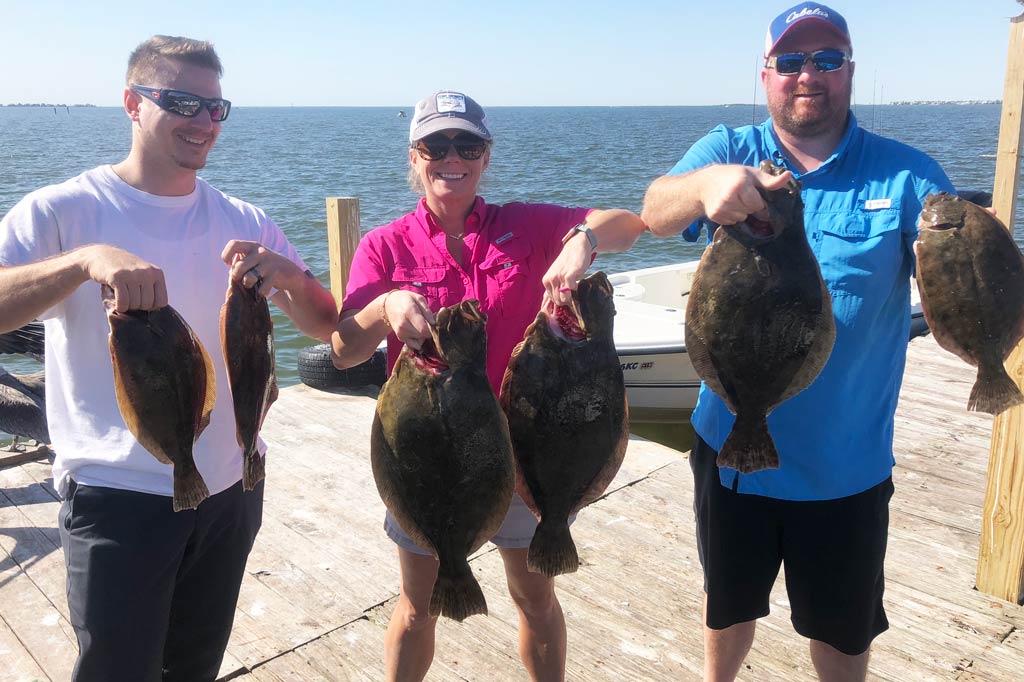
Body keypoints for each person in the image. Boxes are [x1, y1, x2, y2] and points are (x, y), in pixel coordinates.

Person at [0, 36, 337, 681]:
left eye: (217, 108)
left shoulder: (246, 219)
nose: (204, 122)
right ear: (132, 102)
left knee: (194, 668)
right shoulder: (62, 211)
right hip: (118, 495)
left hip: (233, 487)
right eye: (183, 102)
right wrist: (82, 261)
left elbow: (326, 327)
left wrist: (291, 277)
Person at [641, 4, 954, 681]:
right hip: (729, 447)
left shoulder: (905, 175)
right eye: (790, 62)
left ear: (849, 71)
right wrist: (706, 185)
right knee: (728, 607)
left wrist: (972, 251)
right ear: (766, 76)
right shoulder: (728, 147)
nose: (807, 74)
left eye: (826, 59)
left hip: (847, 465)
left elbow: (950, 262)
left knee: (842, 632)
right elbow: (656, 210)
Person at [332, 90, 647, 682]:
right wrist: (385, 306)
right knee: (417, 606)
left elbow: (631, 225)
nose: (452, 157)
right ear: (414, 154)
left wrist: (584, 238)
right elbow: (345, 351)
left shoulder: (526, 226)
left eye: (467, 144)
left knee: (535, 599)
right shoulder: (383, 245)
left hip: (524, 454)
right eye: (436, 144)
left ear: (486, 155)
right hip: (427, 458)